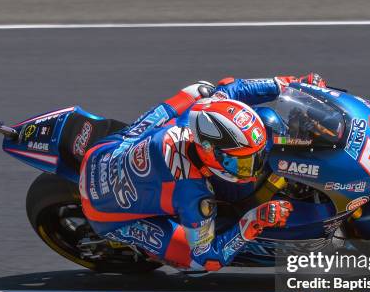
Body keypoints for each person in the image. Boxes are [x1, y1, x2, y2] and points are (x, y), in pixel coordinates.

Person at [78, 73, 325, 270]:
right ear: (209, 151)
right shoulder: (193, 196)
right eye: (242, 163)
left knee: (201, 91)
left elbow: (233, 89)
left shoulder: (198, 118)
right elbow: (209, 257)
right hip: (103, 210)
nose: (252, 170)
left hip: (105, 150)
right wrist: (254, 221)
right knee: (193, 263)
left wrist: (293, 85)